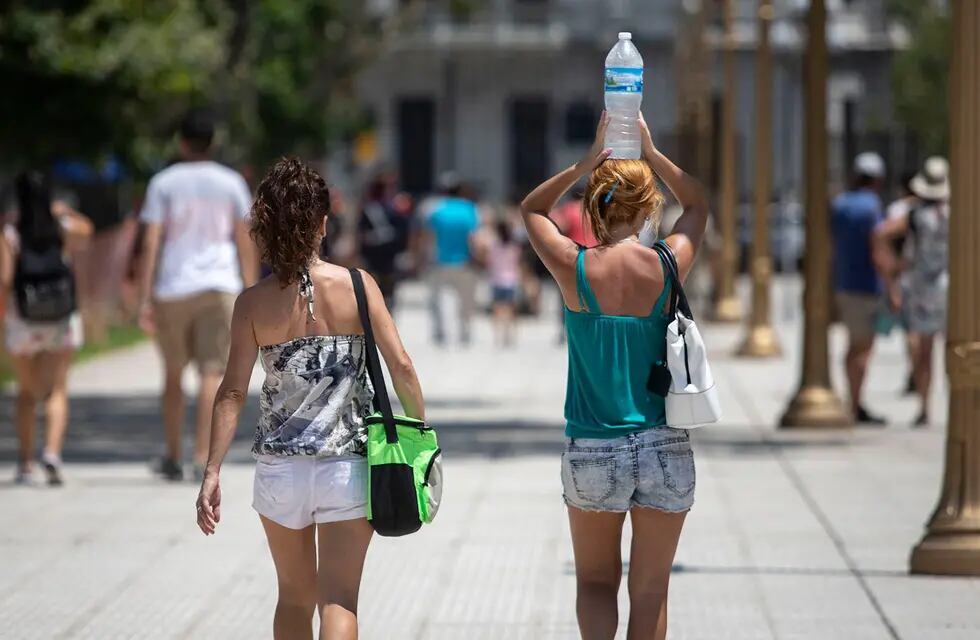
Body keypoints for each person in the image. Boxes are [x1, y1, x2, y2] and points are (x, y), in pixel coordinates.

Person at [195, 157, 425, 640]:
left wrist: (212, 470)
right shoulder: (358, 286)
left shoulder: (253, 303)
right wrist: (420, 435)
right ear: (323, 224)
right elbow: (401, 365)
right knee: (339, 600)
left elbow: (232, 390)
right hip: (347, 467)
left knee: (293, 599)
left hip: (280, 472)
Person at [520, 112, 708, 640]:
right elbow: (697, 204)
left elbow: (532, 208)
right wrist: (651, 152)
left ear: (593, 206)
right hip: (662, 444)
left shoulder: (573, 266)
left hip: (593, 447)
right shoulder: (668, 264)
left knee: (596, 583)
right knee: (650, 592)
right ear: (650, 207)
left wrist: (583, 163)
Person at [138, 110, 257, 481]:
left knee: (173, 374)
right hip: (220, 284)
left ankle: (173, 454)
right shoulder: (232, 182)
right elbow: (243, 237)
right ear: (213, 142)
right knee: (212, 373)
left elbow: (152, 239)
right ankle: (201, 456)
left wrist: (144, 296)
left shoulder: (163, 183)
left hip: (173, 287)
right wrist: (250, 291)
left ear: (181, 141)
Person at [0, 172, 93, 485]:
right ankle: (52, 453)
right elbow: (89, 230)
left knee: (26, 392)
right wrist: (64, 211)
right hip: (59, 319)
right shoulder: (60, 227)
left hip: (23, 319)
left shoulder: (10, 231)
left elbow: (4, 280)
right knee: (56, 390)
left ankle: (26, 464)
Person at [873, 157, 950, 427]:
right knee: (959, 350)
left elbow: (881, 234)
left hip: (922, 286)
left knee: (924, 351)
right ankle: (959, 406)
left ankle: (925, 407)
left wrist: (894, 269)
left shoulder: (915, 215)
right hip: (952, 285)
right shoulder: (959, 213)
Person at [831, 152, 887, 425]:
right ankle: (855, 404)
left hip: (844, 283)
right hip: (867, 285)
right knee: (864, 349)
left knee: (852, 347)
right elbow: (877, 246)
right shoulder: (872, 207)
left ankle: (853, 401)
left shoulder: (841, 203)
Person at [422, 173, 480, 345]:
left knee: (437, 301)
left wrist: (423, 259)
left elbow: (429, 237)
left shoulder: (435, 210)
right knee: (466, 301)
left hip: (440, 261)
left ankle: (440, 333)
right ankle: (465, 332)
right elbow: (473, 237)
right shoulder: (470, 209)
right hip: (464, 261)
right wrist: (477, 258)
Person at [356, 172, 413, 309]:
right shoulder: (395, 209)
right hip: (389, 257)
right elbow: (404, 233)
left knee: (372, 290)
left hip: (373, 256)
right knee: (388, 292)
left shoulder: (367, 209)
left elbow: (361, 235)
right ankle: (387, 317)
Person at [885, 172, 920, 395]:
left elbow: (884, 237)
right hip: (933, 277)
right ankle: (919, 372)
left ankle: (914, 371)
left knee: (911, 331)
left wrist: (891, 273)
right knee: (926, 335)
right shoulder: (940, 210)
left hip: (906, 274)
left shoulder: (899, 210)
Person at [487, 218, 521, 347]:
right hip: (511, 280)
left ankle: (498, 337)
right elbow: (517, 263)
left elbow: (490, 263)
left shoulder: (494, 246)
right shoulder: (514, 246)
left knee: (497, 310)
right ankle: (510, 336)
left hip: (496, 280)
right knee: (511, 311)